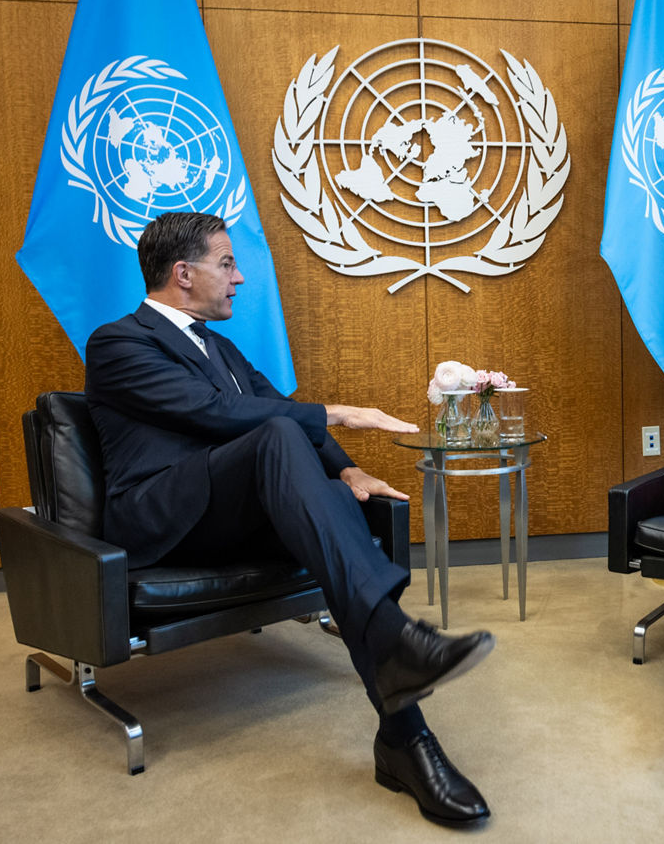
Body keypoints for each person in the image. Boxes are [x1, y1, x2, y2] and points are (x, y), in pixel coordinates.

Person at [84, 211, 493, 827]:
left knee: (327, 493)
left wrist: (348, 471)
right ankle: (396, 646)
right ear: (182, 273)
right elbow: (214, 414)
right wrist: (342, 414)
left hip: (231, 508)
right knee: (278, 436)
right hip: (163, 520)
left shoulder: (219, 346)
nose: (239, 278)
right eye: (226, 264)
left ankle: (406, 741)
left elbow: (273, 406)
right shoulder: (118, 342)